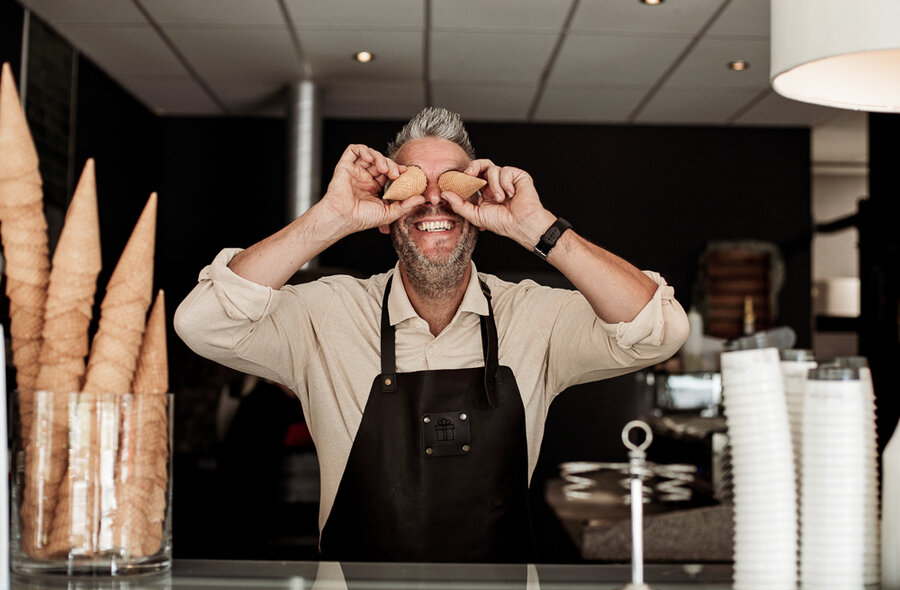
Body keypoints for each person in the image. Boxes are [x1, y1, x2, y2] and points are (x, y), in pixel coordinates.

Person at [174, 107, 689, 563]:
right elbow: (202, 323)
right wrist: (329, 219)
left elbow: (657, 331)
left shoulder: (534, 316)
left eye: (454, 184)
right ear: (386, 213)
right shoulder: (326, 314)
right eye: (416, 183)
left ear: (478, 210)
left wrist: (537, 227)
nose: (436, 201)